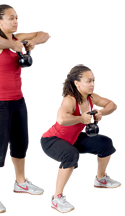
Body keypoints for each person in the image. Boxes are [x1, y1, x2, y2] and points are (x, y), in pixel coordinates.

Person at [0, 4, 49, 213]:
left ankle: (20, 182)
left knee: (21, 142)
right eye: (10, 18)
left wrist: (29, 42)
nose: (15, 21)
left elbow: (44, 34)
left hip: (18, 100)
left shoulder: (16, 37)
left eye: (16, 18)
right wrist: (14, 45)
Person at [41, 64, 121, 213]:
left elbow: (112, 105)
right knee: (71, 155)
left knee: (105, 143)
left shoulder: (91, 98)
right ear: (77, 83)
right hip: (52, 140)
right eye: (88, 81)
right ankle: (57, 198)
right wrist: (81, 119)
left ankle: (100, 179)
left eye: (93, 81)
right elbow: (61, 119)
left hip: (73, 138)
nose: (92, 84)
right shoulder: (70, 100)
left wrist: (101, 112)